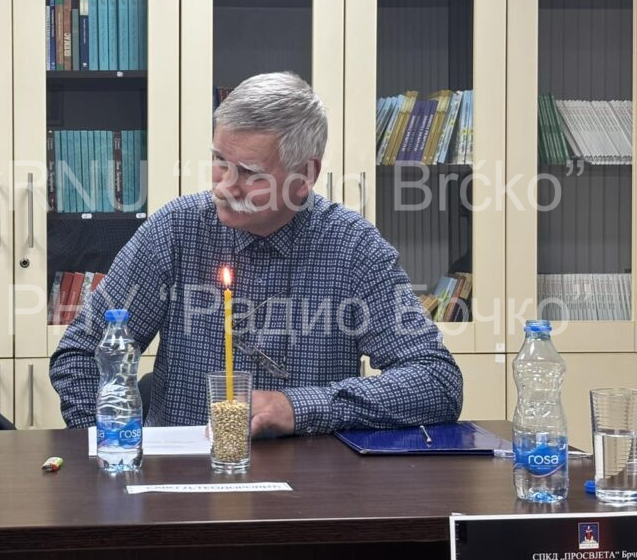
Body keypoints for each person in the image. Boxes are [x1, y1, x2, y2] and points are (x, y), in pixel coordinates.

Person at [50, 71, 462, 436]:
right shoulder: (175, 230)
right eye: (219, 161)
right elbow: (82, 353)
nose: (224, 186)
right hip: (183, 478)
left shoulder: (354, 247)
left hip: (314, 484)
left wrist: (297, 408)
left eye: (249, 172)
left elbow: (436, 380)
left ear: (306, 175)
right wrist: (111, 449)